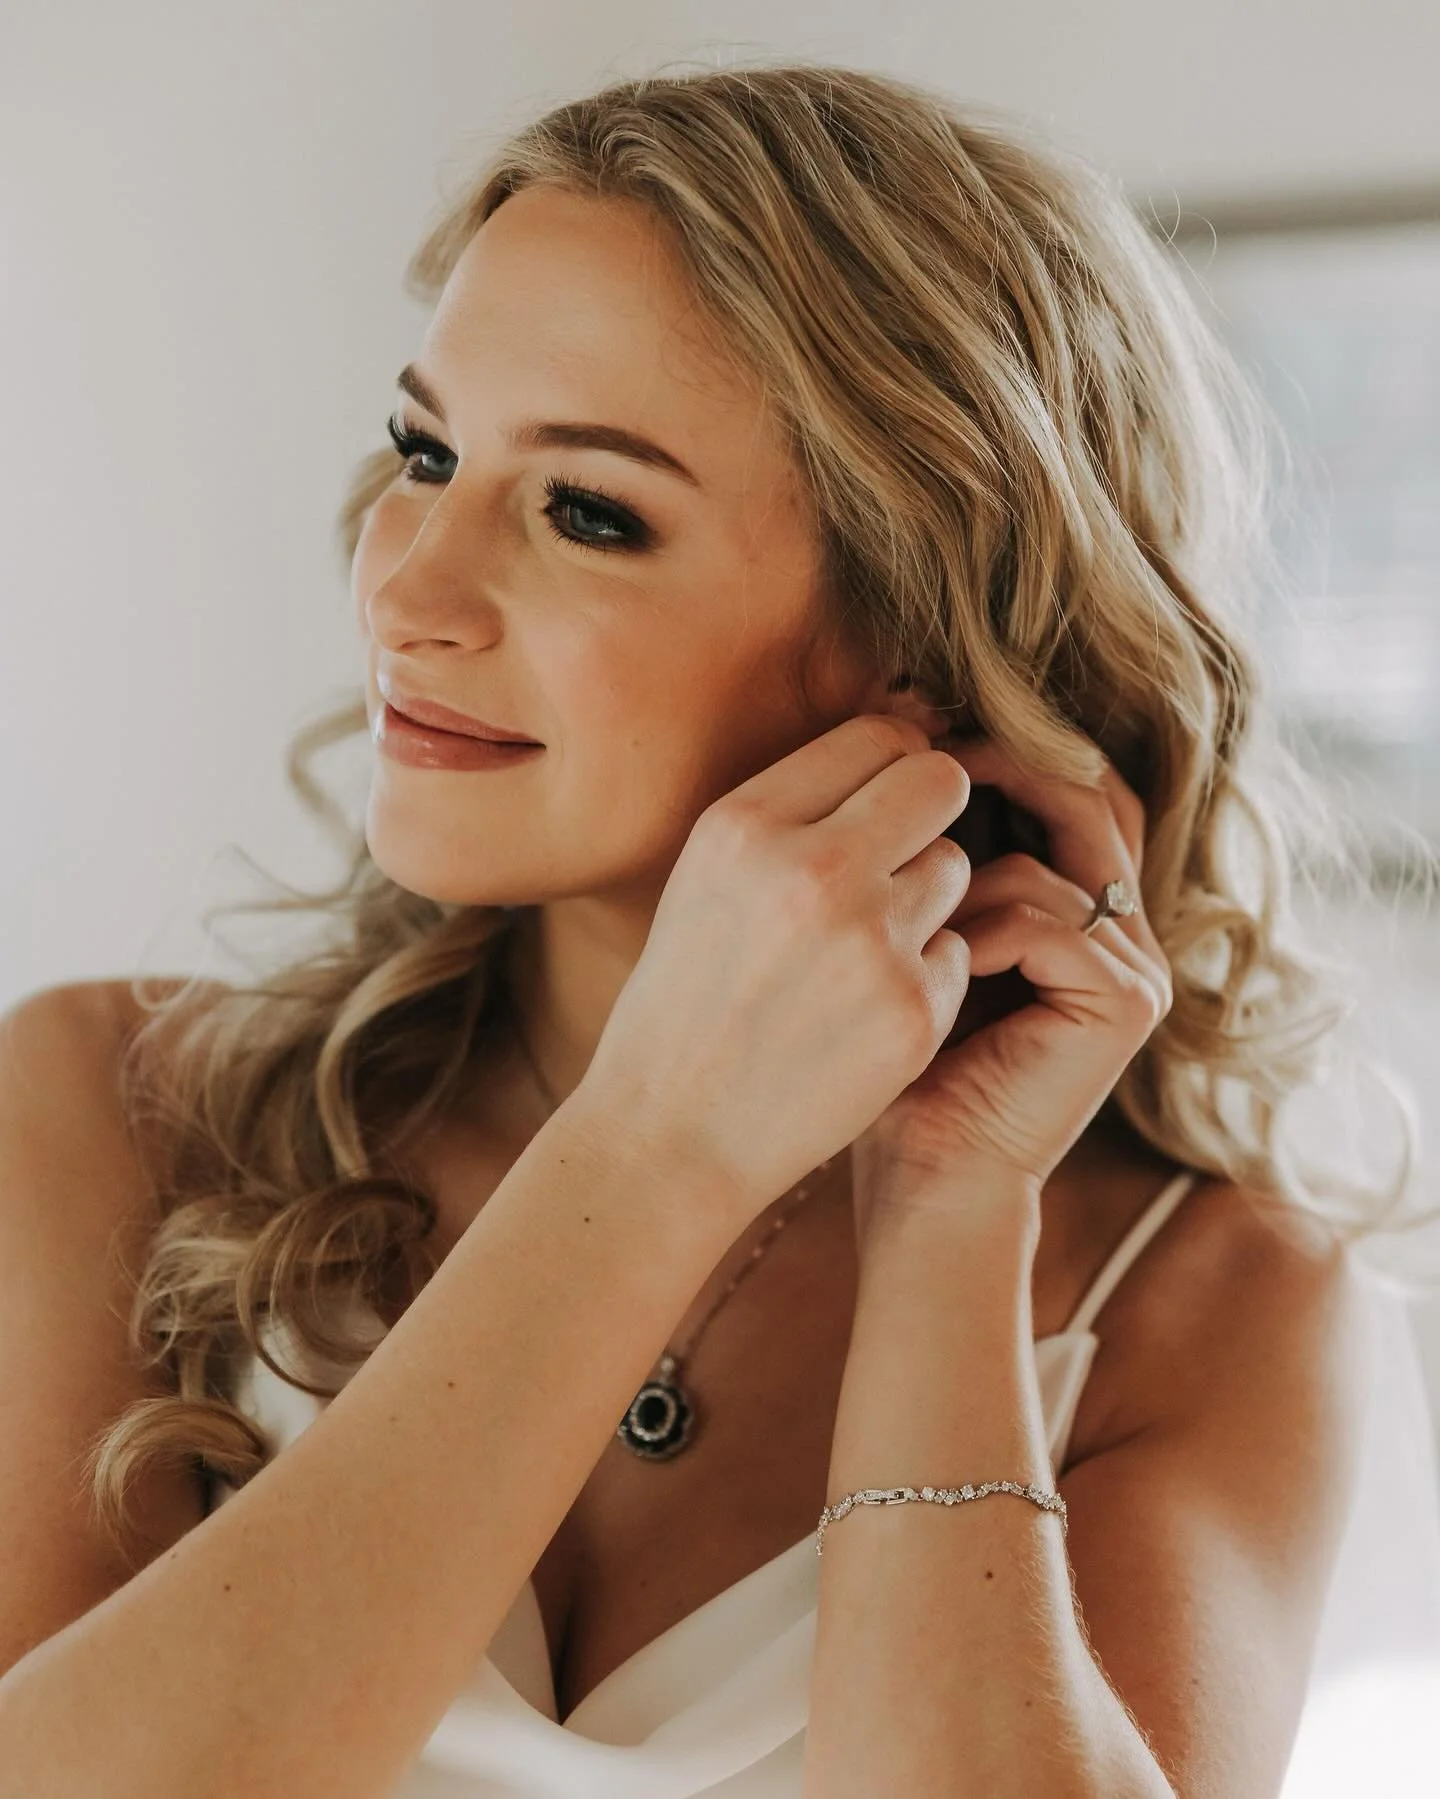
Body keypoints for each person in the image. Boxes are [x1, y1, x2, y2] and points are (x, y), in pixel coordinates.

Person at [2, 60, 1438, 1799]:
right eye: (425, 451)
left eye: (587, 509)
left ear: (919, 640)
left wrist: (946, 1222)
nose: (407, 586)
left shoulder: (1215, 1306)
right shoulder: (111, 1106)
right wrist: (656, 1146)